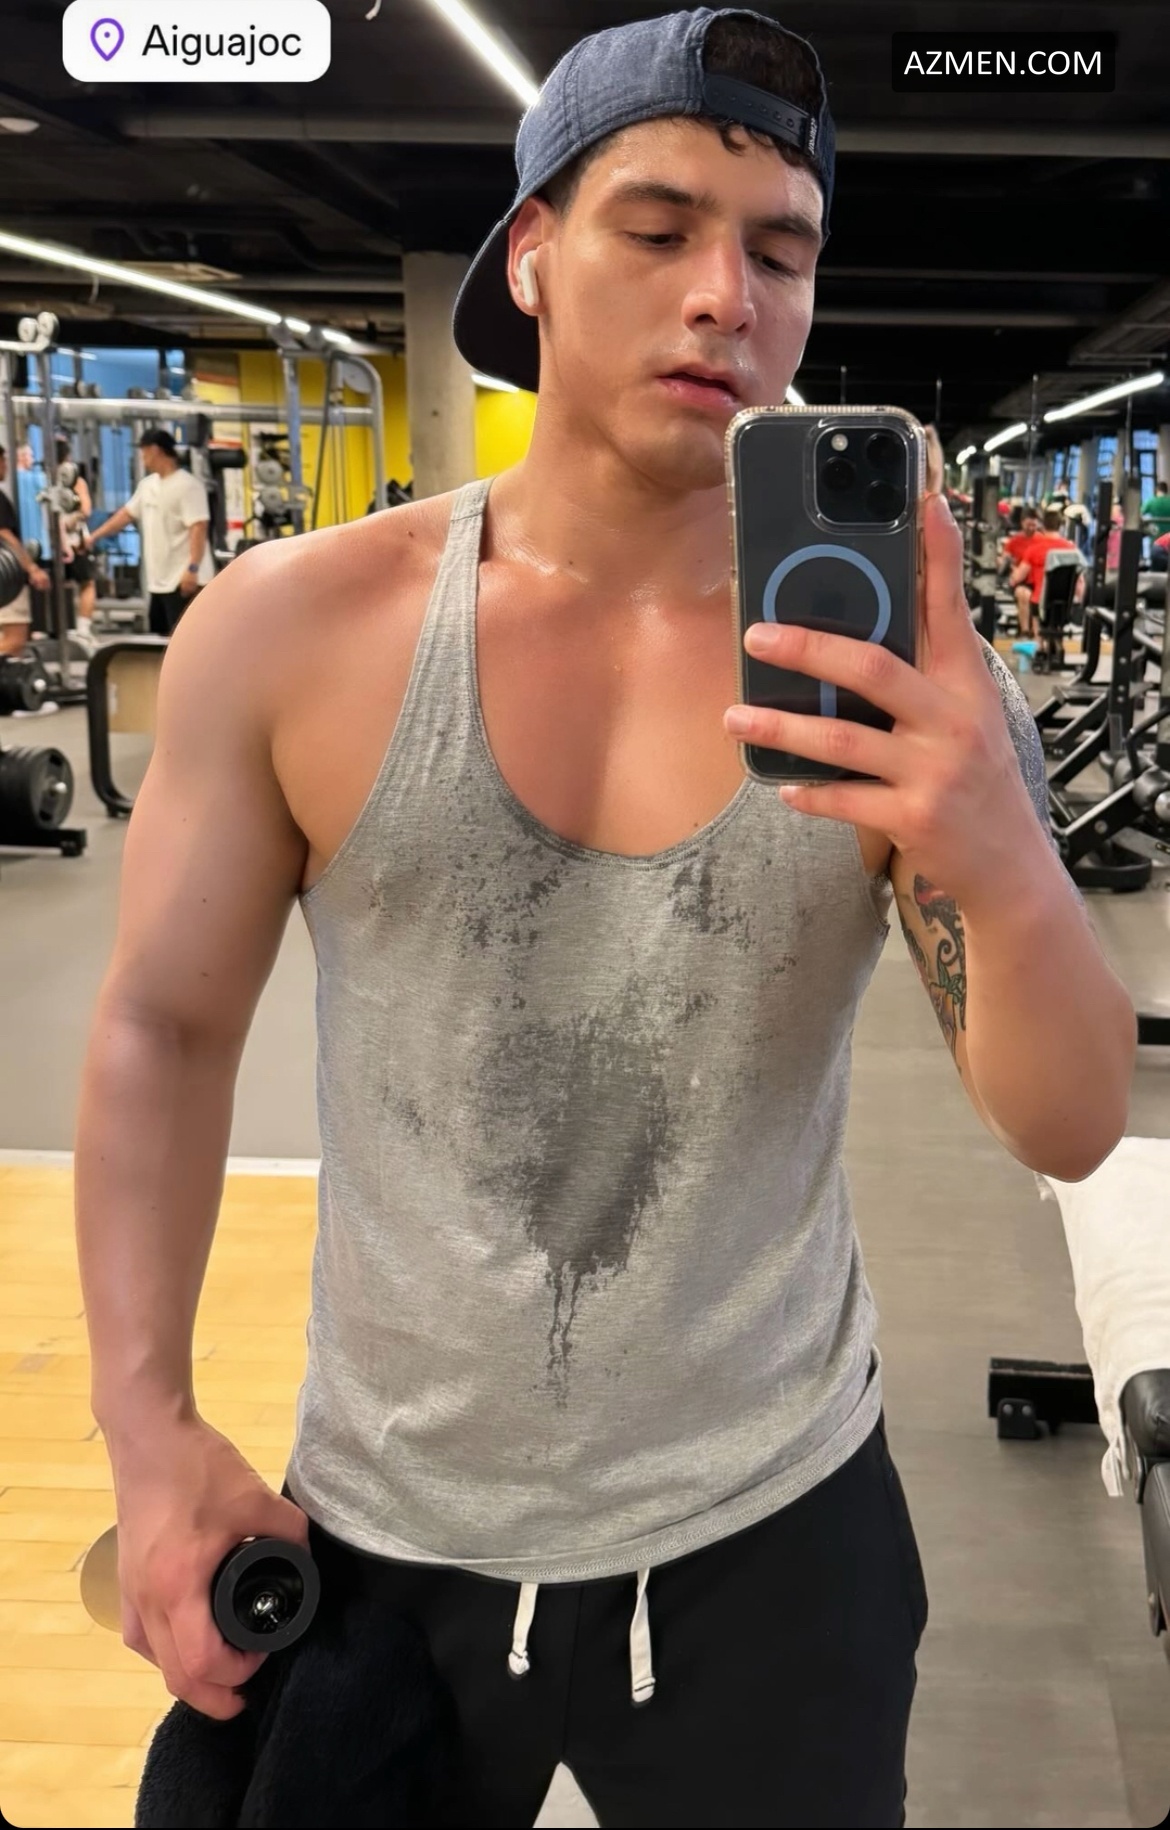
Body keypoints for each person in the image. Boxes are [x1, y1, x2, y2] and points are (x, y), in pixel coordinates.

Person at [74, 11, 1135, 1827]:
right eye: (657, 229)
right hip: (388, 1527)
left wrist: (993, 839)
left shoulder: (895, 674)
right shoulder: (298, 629)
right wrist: (148, 1427)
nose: (726, 295)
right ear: (533, 257)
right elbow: (160, 1027)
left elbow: (1072, 1117)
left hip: (774, 1530)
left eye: (781, 251)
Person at [83, 428, 213, 637]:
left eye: (144, 452)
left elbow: (199, 527)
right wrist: (94, 536)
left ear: (155, 450)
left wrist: (193, 568)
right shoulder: (147, 485)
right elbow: (126, 515)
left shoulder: (188, 486)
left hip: (182, 579)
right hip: (159, 581)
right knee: (159, 639)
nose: (142, 458)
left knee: (184, 640)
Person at [0, 444, 51, 658]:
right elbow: (5, 534)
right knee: (15, 640)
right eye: (3, 460)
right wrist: (32, 568)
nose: (6, 466)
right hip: (6, 578)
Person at [54, 434, 98, 647]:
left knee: (69, 583)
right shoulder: (74, 481)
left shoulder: (48, 479)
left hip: (68, 541)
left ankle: (75, 630)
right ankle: (81, 629)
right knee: (87, 583)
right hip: (68, 542)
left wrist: (68, 521)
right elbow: (86, 510)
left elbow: (83, 511)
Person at [1009, 506, 1078, 641]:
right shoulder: (1071, 549)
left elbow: (1017, 577)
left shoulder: (1034, 549)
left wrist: (1013, 573)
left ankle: (1038, 642)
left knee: (1037, 612)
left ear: (1043, 526)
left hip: (1039, 601)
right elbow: (1080, 583)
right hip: (1064, 602)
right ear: (1060, 527)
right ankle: (1056, 644)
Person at [1001, 505, 1039, 632]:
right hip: (1021, 580)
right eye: (1028, 525)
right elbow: (1004, 559)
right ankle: (1025, 631)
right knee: (1023, 594)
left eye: (1034, 525)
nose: (1031, 528)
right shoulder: (1014, 541)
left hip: (1038, 581)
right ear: (1022, 523)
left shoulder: (1041, 539)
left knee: (1031, 595)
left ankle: (1036, 631)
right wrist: (1009, 565)